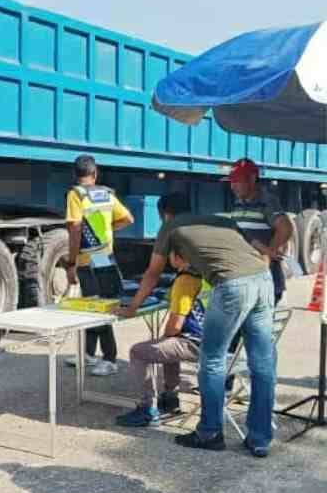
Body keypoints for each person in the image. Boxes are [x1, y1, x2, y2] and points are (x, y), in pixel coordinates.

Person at [116, 195, 276, 457]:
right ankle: (259, 439)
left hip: (232, 286)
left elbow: (153, 273)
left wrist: (132, 307)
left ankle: (210, 432)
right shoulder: (219, 221)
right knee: (263, 363)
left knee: (211, 360)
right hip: (263, 279)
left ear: (165, 215)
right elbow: (253, 249)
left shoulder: (171, 227)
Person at [115, 194, 207, 426]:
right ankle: (170, 397)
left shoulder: (184, 281)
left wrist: (134, 307)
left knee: (141, 350)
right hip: (211, 338)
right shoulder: (204, 274)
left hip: (195, 344)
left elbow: (175, 326)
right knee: (167, 342)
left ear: (178, 256)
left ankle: (147, 408)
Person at [63, 154, 135, 376]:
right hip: (104, 256)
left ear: (76, 175)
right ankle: (89, 355)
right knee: (95, 307)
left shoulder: (75, 195)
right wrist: (107, 229)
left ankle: (110, 359)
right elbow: (128, 219)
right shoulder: (105, 193)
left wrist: (71, 262)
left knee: (98, 309)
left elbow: (75, 230)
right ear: (95, 174)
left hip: (86, 259)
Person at [223, 158, 292, 305]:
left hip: (264, 283)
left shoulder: (266, 201)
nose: (232, 186)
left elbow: (285, 228)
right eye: (231, 181)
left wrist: (268, 253)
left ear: (252, 179)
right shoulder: (238, 202)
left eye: (237, 181)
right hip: (245, 280)